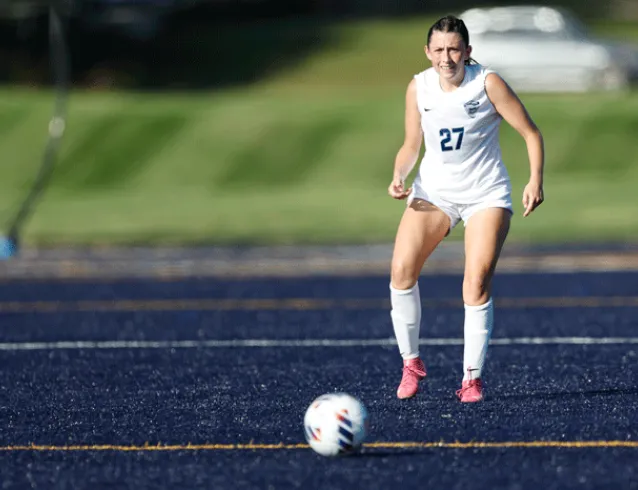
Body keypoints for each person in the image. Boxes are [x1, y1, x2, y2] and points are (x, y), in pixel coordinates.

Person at [388, 15, 544, 403]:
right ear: (428, 52)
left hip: (485, 193)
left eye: (454, 49)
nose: (446, 57)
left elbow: (530, 132)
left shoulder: (487, 83)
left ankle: (471, 379)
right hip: (435, 192)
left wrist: (535, 180)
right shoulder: (419, 87)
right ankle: (412, 363)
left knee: (475, 282)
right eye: (439, 50)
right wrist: (398, 174)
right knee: (401, 270)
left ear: (468, 51)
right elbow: (412, 144)